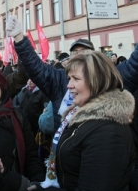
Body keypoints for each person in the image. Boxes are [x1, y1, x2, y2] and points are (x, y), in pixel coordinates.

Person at [6, 15, 138, 131]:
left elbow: (135, 63)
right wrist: (19, 37)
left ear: (96, 58)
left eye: (85, 51)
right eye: (75, 53)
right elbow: (35, 67)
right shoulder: (60, 79)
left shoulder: (112, 78)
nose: (80, 55)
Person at [39, 52, 134, 191]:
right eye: (69, 78)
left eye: (76, 79)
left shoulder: (107, 133)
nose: (68, 85)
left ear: (97, 81)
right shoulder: (77, 114)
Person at [0, 65, 46, 191]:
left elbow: (31, 155)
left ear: (1, 86)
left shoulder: (17, 115)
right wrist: (21, 184)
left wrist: (37, 182)